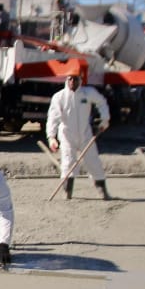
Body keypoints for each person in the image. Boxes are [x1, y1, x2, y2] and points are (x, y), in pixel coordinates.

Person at [46, 66, 112, 200]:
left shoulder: (88, 93)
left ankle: (102, 191)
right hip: (67, 135)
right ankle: (67, 192)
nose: (72, 82)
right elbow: (53, 117)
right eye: (70, 79)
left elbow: (102, 103)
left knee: (94, 162)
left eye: (75, 79)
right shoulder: (59, 97)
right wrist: (51, 137)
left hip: (85, 134)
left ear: (80, 80)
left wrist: (105, 120)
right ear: (66, 80)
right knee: (68, 163)